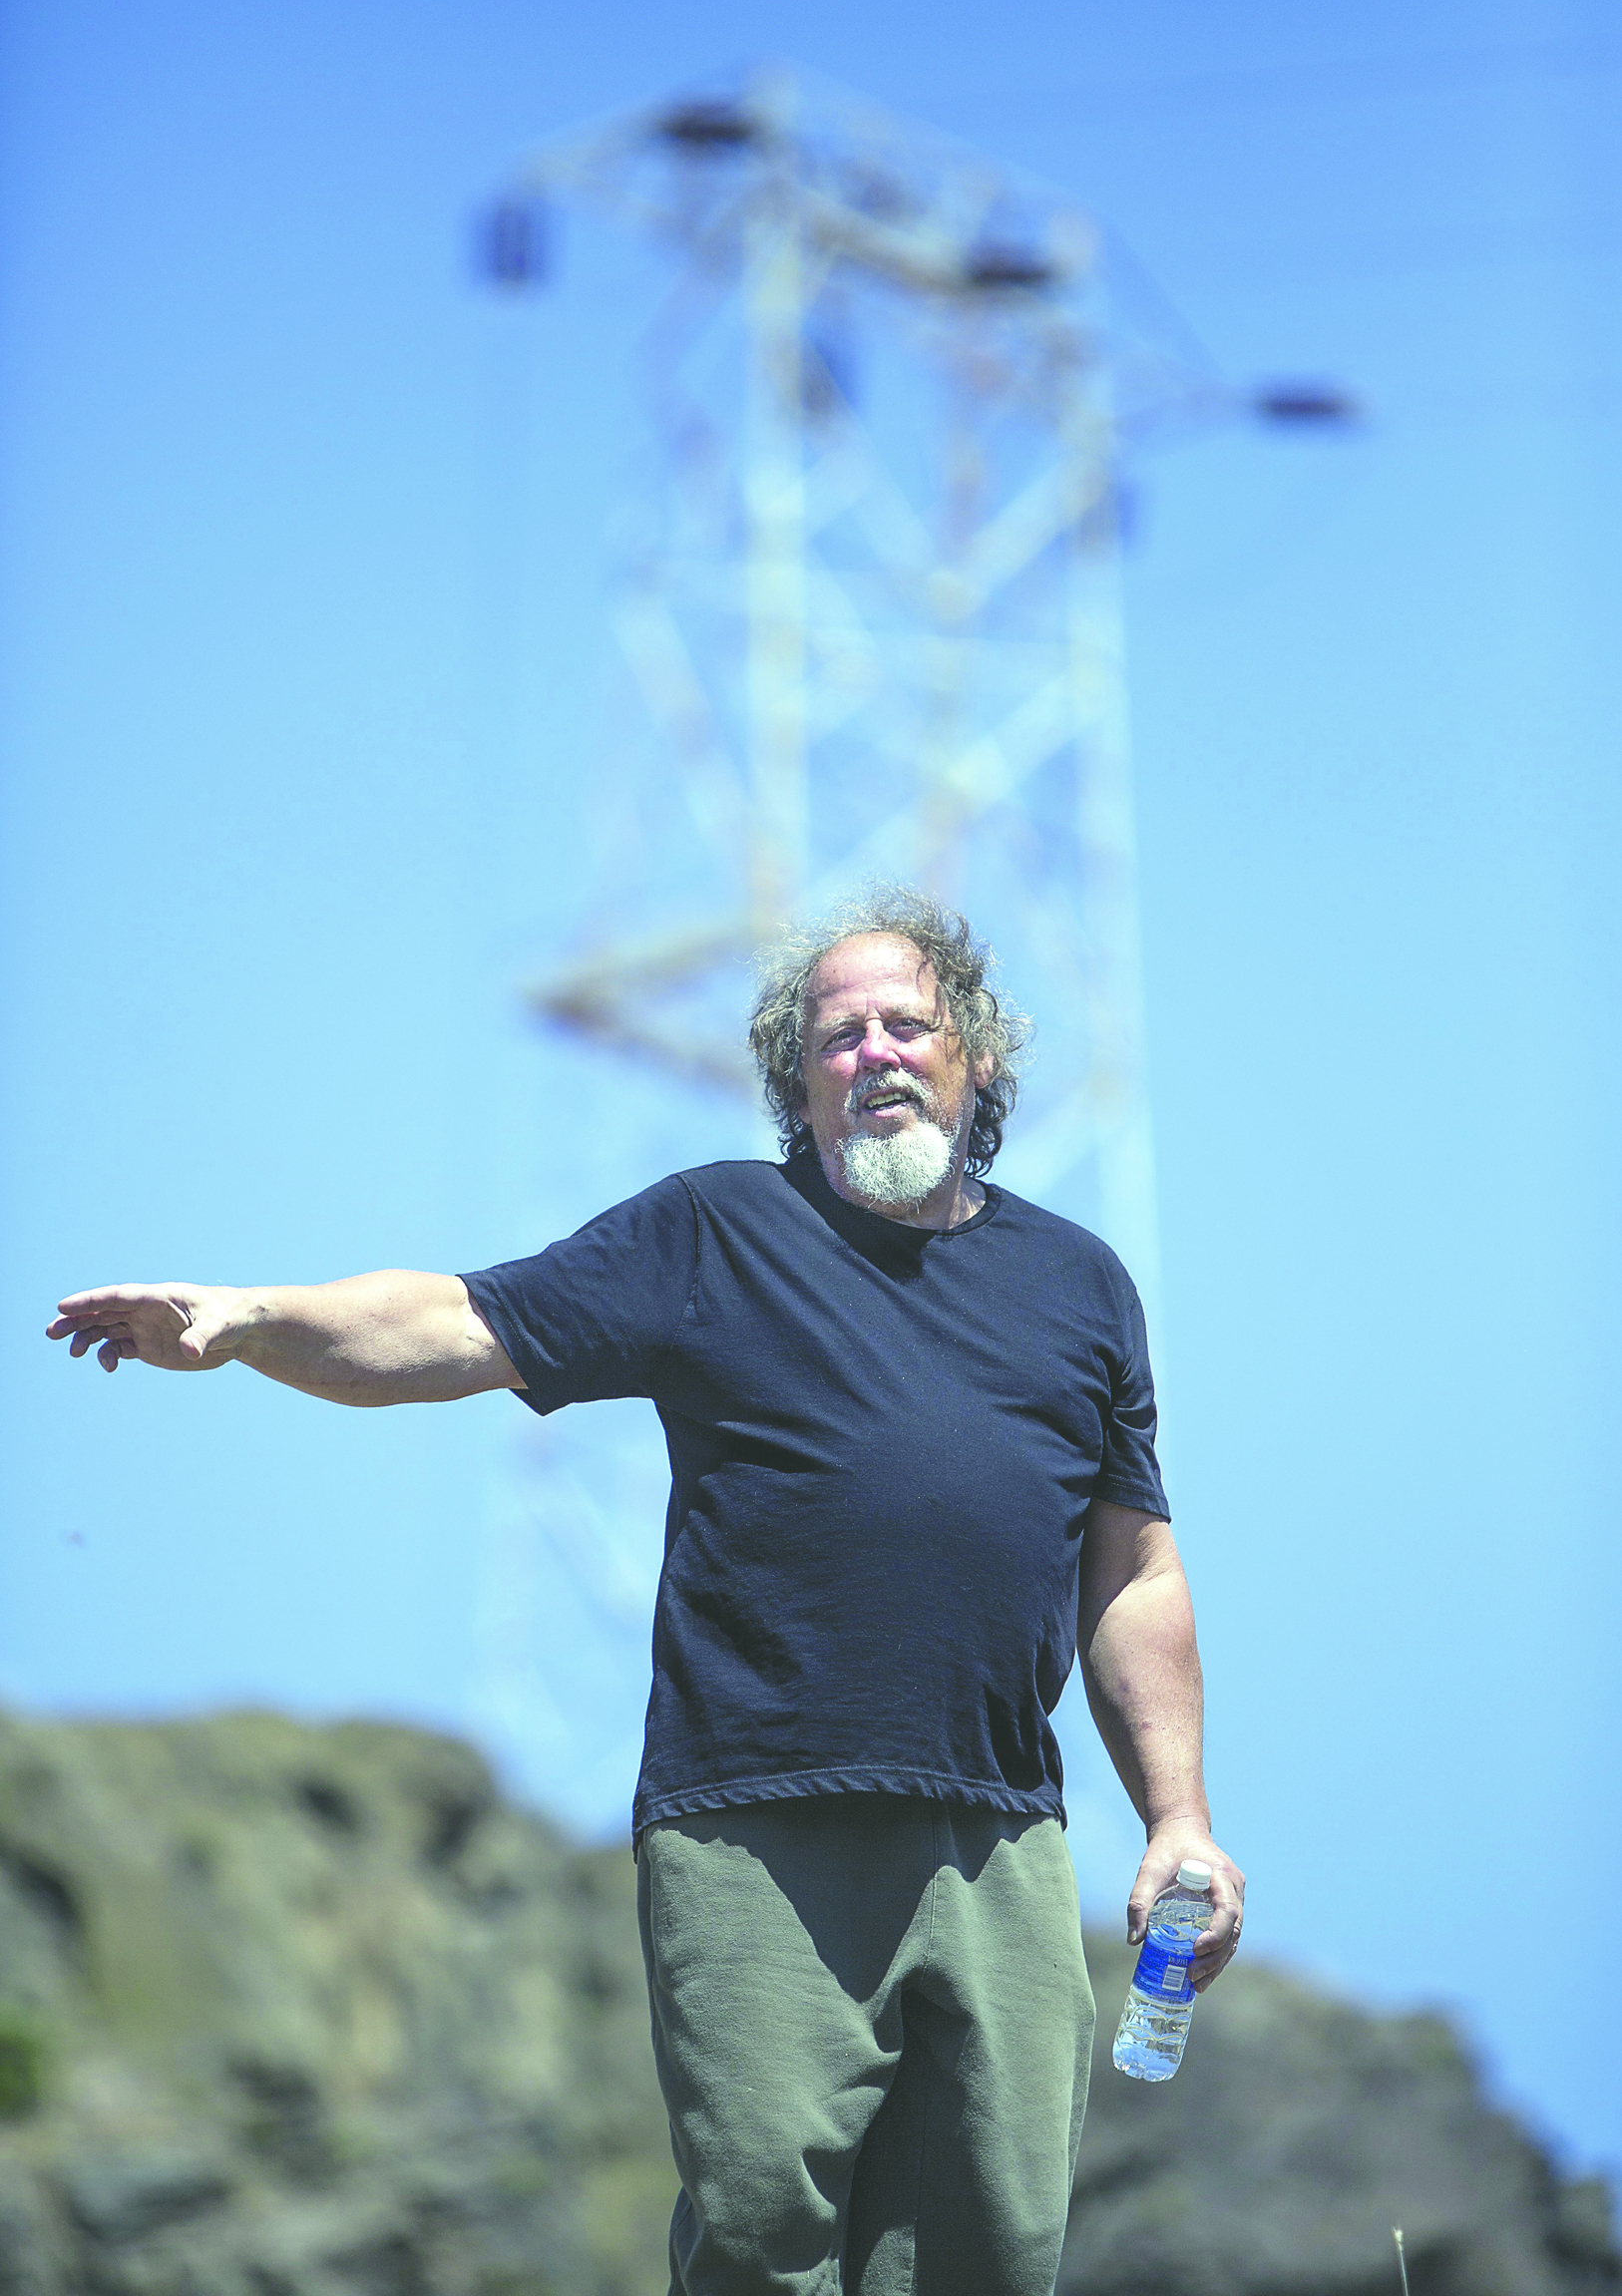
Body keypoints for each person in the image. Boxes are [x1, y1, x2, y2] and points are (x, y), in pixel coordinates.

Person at [49, 885, 1244, 2296]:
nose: (870, 1052)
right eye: (833, 1036)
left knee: (992, 2252)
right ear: (796, 1088)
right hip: (757, 1823)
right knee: (758, 2235)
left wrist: (1178, 1821)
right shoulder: (714, 1229)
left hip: (1000, 1835)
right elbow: (449, 1324)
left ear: (973, 1055)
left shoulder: (1079, 1285)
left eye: (904, 1024)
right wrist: (250, 1320)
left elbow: (1132, 1569)